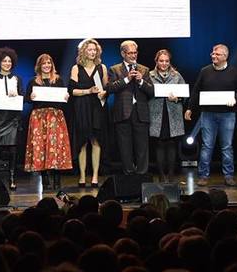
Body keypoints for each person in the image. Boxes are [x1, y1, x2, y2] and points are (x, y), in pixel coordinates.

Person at [185, 44, 237, 187]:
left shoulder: (233, 72)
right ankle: (203, 176)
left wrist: (235, 98)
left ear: (225, 56)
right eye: (213, 53)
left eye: (217, 54)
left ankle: (228, 175)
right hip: (208, 114)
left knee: (227, 146)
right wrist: (190, 108)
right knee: (207, 146)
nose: (213, 56)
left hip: (227, 115)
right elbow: (196, 91)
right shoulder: (205, 71)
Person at [24, 54, 73, 190]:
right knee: (41, 148)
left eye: (49, 63)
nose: (46, 66)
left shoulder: (58, 80)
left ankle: (57, 180)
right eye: (44, 63)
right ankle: (45, 180)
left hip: (55, 117)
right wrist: (30, 97)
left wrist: (66, 97)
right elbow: (26, 99)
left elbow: (63, 100)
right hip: (39, 117)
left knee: (56, 147)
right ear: (39, 66)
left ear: (52, 65)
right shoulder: (33, 81)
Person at [106, 40, 154, 175]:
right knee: (125, 147)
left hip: (140, 113)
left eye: (135, 52)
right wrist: (127, 79)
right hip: (123, 113)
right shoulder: (114, 69)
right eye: (130, 53)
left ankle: (142, 175)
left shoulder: (144, 70)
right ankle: (129, 175)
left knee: (142, 147)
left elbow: (151, 91)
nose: (133, 55)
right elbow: (109, 88)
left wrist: (141, 81)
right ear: (123, 54)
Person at [68, 38, 110, 188]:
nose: (92, 52)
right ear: (83, 51)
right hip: (81, 107)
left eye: (94, 50)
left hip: (97, 107)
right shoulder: (76, 68)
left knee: (96, 141)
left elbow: (106, 88)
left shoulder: (102, 67)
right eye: (90, 49)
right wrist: (88, 91)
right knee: (83, 142)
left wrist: (104, 93)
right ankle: (82, 176)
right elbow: (72, 91)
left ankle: (95, 176)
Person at [0, 47, 24, 191]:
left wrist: (17, 95)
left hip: (13, 118)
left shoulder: (17, 79)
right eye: (4, 61)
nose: (7, 63)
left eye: (9, 61)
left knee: (13, 149)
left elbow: (22, 97)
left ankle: (12, 178)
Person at [147, 49, 186, 183]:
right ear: (156, 61)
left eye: (166, 61)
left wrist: (177, 98)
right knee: (159, 143)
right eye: (161, 61)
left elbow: (185, 94)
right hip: (156, 113)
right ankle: (161, 174)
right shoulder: (150, 75)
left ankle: (171, 174)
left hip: (173, 113)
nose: (164, 63)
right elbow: (144, 92)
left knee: (171, 143)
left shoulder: (176, 75)